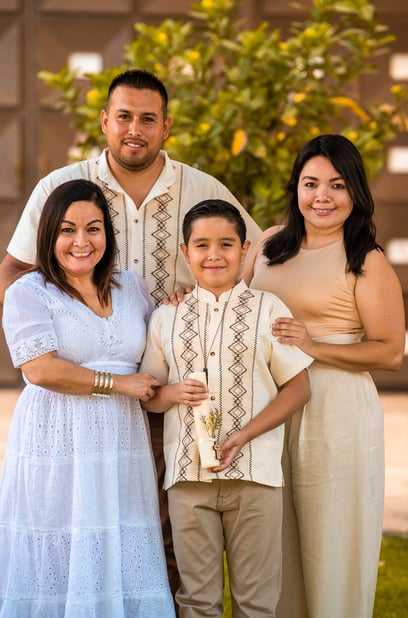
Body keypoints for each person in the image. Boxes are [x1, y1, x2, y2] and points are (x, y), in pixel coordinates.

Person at [0, 69, 262, 597]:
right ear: (105, 121)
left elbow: (252, 256)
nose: (134, 129)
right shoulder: (59, 186)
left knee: (161, 526)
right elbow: (14, 272)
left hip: (173, 390)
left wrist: (208, 304)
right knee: (71, 526)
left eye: (147, 119)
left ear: (167, 126)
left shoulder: (203, 188)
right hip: (76, 401)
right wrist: (49, 326)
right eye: (124, 117)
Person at [241, 134, 405, 618]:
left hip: (336, 415)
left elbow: (391, 351)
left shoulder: (366, 261)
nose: (322, 197)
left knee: (332, 542)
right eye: (311, 184)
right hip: (271, 409)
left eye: (336, 185)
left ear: (354, 191)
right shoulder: (268, 243)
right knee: (276, 544)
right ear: (296, 188)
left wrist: (314, 346)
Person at [0, 179, 175, 616]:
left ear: (107, 234)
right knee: (62, 535)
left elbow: (155, 345)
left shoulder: (131, 287)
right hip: (58, 436)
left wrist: (179, 309)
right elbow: (40, 369)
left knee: (120, 536)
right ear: (48, 236)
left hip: (120, 440)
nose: (82, 241)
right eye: (67, 230)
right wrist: (117, 384)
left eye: (93, 228)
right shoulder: (28, 292)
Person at [139, 199, 313, 617]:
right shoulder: (166, 318)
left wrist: (245, 436)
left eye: (226, 244)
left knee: (256, 602)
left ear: (244, 248)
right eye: (201, 245)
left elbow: (298, 389)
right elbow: (153, 395)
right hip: (187, 477)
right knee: (197, 600)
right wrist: (174, 393)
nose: (214, 255)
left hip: (255, 475)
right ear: (185, 252)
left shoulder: (268, 309)